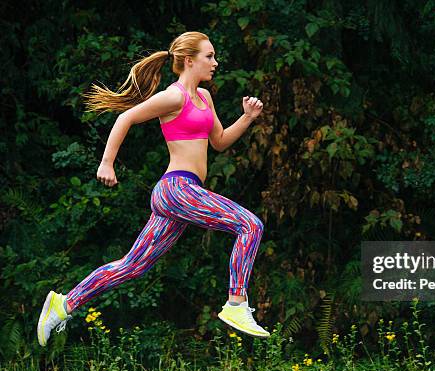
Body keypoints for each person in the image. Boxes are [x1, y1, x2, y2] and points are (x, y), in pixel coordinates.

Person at [37, 31, 270, 347]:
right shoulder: (174, 97)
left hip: (181, 195)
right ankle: (236, 303)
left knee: (132, 266)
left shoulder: (205, 98)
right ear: (189, 61)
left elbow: (219, 141)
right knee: (250, 225)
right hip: (177, 189)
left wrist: (246, 118)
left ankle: (63, 305)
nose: (215, 63)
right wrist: (107, 163)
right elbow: (126, 117)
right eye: (209, 56)